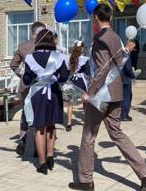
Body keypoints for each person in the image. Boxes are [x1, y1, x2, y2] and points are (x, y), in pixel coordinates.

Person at [69, 4, 146, 191]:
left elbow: (101, 70)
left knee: (88, 136)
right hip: (116, 92)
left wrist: (89, 93)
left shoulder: (101, 39)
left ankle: (86, 180)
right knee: (117, 133)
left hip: (101, 95)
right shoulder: (116, 36)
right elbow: (117, 64)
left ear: (95, 18)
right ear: (110, 18)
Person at [23, 29, 69, 175]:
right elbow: (64, 77)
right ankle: (50, 156)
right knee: (51, 125)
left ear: (38, 41)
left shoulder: (31, 57)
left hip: (38, 94)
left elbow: (26, 80)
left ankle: (42, 163)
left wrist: (37, 78)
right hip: (54, 93)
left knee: (39, 128)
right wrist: (53, 78)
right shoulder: (58, 56)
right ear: (51, 41)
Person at [10, 21, 46, 153]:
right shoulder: (46, 46)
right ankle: (38, 145)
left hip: (26, 84)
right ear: (35, 32)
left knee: (26, 112)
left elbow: (13, 65)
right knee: (40, 114)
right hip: (42, 85)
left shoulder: (22, 46)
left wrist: (23, 76)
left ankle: (23, 139)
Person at [63, 40, 90, 131]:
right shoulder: (84, 59)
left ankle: (69, 123)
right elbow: (88, 72)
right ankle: (86, 122)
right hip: (81, 81)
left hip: (72, 81)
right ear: (82, 48)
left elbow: (66, 72)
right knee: (85, 102)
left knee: (70, 103)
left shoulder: (70, 58)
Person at [121, 39, 137, 121]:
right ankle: (124, 115)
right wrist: (133, 75)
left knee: (125, 96)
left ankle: (124, 114)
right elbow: (127, 68)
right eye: (132, 47)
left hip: (122, 78)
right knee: (127, 97)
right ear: (130, 45)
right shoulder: (126, 53)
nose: (132, 49)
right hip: (126, 79)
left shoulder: (121, 52)